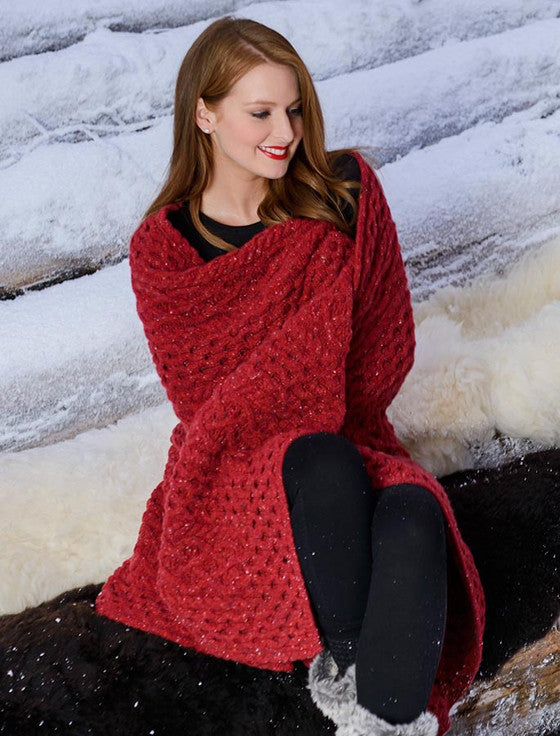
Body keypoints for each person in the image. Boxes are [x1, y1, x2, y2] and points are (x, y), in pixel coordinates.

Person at [94, 16, 485, 736]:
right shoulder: (165, 249)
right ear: (205, 114)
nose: (286, 132)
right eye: (262, 113)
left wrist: (307, 369)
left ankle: (375, 721)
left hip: (349, 436)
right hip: (235, 469)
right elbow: (204, 404)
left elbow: (384, 358)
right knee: (321, 461)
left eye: (295, 109)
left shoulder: (343, 195)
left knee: (414, 513)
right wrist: (302, 370)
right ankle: (370, 697)